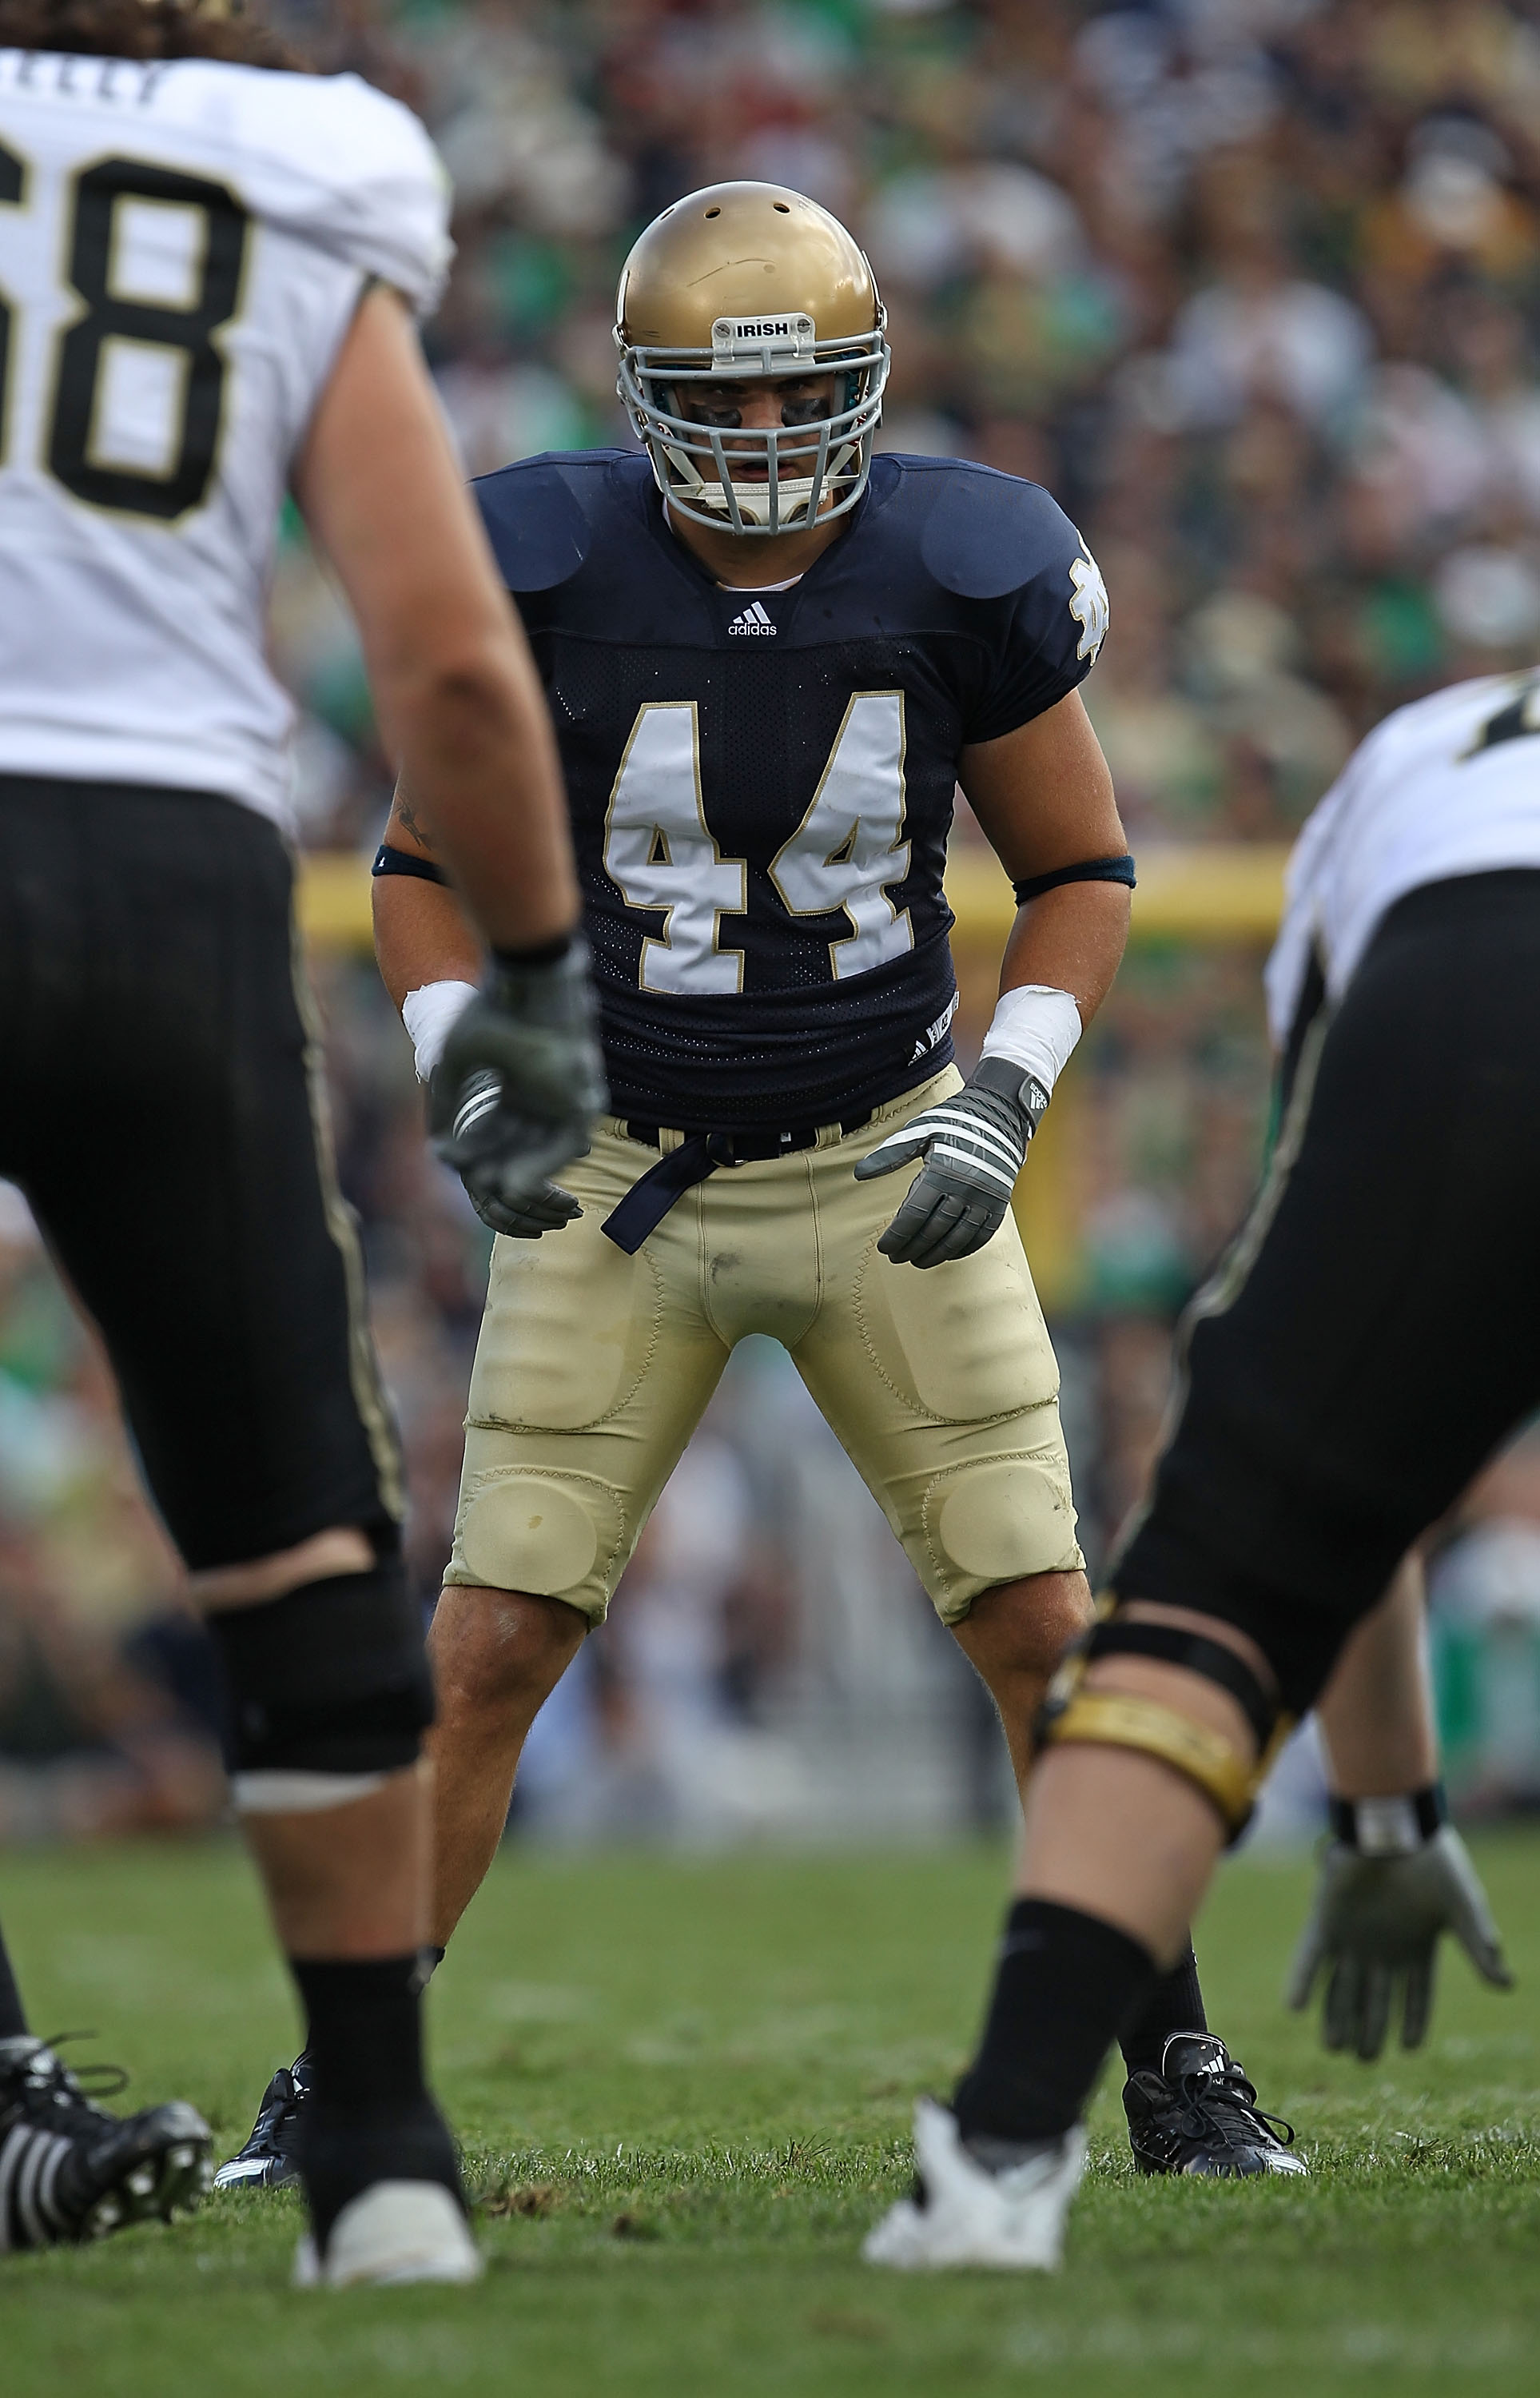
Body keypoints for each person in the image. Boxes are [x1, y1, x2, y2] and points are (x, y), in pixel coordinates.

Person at [222, 179, 1296, 2191]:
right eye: (721, 400)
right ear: (630, 395)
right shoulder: (537, 556)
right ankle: (351, 2085)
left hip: (889, 1153)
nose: (765, 438)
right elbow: (417, 872)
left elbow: (1080, 873)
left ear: (870, 375)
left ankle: (1172, 2068)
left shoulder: (962, 567)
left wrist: (1009, 1092)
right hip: (616, 1175)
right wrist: (472, 1072)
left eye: (804, 391)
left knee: (1044, 1628)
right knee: (492, 1644)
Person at [0, 0, 601, 2284]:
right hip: (164, 876)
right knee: (291, 1541)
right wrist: (534, 971)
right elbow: (446, 660)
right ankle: (378, 2161)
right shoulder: (298, 154)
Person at [866, 666, 1538, 2269]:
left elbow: (1342, 1467)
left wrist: (1382, 1817)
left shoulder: (1422, 747)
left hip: (1476, 965)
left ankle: (1006, 2146)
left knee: (1216, 1582)